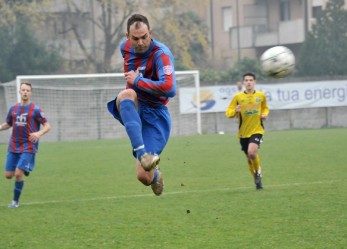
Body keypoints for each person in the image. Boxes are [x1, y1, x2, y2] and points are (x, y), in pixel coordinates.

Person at [107, 14, 176, 196]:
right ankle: (143, 155)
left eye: (144, 37)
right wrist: (135, 86)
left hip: (156, 115)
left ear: (150, 33)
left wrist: (138, 81)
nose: (140, 42)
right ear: (127, 36)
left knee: (143, 177)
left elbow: (170, 88)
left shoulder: (161, 54)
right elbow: (132, 89)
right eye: (135, 38)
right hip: (135, 105)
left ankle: (154, 175)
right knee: (127, 94)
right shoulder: (125, 48)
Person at [0, 82, 51, 208]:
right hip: (13, 145)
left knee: (18, 174)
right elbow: (8, 124)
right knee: (8, 176)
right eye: (23, 90)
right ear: (19, 92)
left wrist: (39, 133)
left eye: (27, 90)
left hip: (28, 145)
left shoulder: (36, 110)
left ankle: (15, 202)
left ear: (31, 93)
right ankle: (26, 167)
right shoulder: (13, 108)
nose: (25, 92)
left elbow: (47, 125)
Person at [225, 72, 269, 190]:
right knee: (249, 158)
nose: (249, 82)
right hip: (243, 133)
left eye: (251, 80)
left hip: (257, 130)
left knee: (252, 152)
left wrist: (264, 114)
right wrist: (235, 110)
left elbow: (265, 107)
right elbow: (228, 113)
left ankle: (258, 174)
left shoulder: (261, 96)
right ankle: (257, 180)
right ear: (244, 82)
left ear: (255, 82)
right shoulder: (238, 97)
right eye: (246, 80)